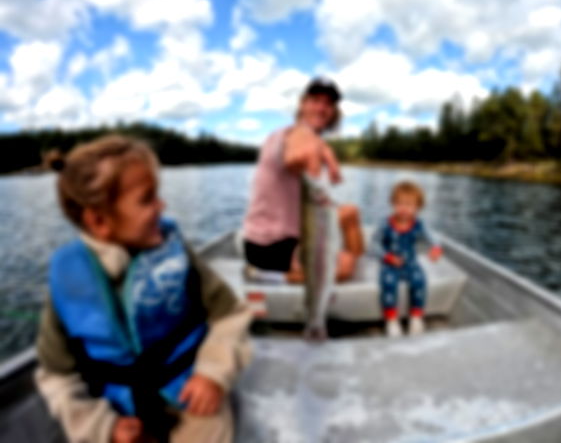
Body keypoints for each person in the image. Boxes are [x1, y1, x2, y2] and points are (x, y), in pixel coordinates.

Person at [35, 135, 252, 443]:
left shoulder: (176, 253)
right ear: (98, 221)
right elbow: (56, 374)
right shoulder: (68, 280)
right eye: (147, 198)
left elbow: (230, 315)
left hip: (189, 393)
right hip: (118, 413)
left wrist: (212, 373)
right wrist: (103, 427)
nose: (162, 206)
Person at [242, 77, 364, 283]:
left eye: (328, 104)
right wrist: (318, 150)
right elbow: (295, 153)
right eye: (315, 100)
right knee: (345, 265)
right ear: (302, 104)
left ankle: (361, 273)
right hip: (269, 244)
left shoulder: (312, 140)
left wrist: (325, 151)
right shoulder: (288, 135)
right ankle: (271, 276)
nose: (321, 107)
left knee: (349, 212)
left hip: (294, 231)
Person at [371, 181, 443, 337]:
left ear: (418, 207)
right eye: (399, 203)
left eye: (409, 205)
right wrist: (387, 256)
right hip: (390, 263)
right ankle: (391, 320)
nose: (404, 208)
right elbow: (374, 244)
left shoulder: (419, 224)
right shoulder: (385, 224)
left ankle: (416, 317)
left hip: (410, 263)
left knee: (419, 280)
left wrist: (436, 248)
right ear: (392, 204)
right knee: (388, 283)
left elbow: (434, 238)